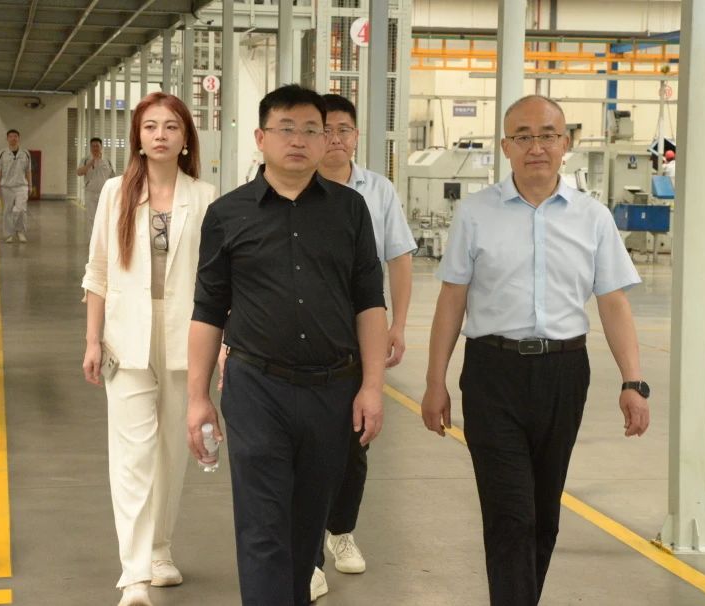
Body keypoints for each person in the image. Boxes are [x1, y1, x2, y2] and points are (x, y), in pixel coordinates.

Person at [420, 95, 651, 605]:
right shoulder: (476, 213)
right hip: (492, 372)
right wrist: (436, 381)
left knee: (544, 517)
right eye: (523, 137)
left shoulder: (593, 218)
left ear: (566, 143)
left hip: (564, 373)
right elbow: (452, 298)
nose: (536, 147)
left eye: (547, 135)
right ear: (505, 147)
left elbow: (613, 302)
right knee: (511, 515)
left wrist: (633, 382)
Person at [186, 84, 388, 606]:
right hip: (257, 388)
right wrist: (197, 397)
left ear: (326, 140)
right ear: (260, 138)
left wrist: (372, 386)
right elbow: (208, 309)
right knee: (262, 526)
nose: (298, 140)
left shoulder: (350, 210)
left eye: (311, 130)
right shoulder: (227, 214)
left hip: (332, 390)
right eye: (286, 129)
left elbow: (370, 303)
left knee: (306, 530)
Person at [81, 92, 216, 606]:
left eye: (171, 127)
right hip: (126, 336)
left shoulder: (204, 197)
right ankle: (134, 575)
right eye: (151, 126)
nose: (160, 135)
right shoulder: (115, 192)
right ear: (138, 136)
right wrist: (92, 339)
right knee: (132, 456)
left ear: (185, 140)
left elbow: (217, 279)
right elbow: (98, 270)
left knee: (173, 453)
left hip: (186, 336)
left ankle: (160, 549)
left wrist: (223, 344)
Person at [306, 93, 417, 599]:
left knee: (355, 440)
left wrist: (399, 324)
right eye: (325, 129)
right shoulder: (293, 183)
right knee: (307, 445)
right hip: (306, 333)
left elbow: (400, 257)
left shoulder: (379, 191)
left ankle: (341, 530)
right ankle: (308, 555)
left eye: (343, 130)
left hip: (362, 333)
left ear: (356, 136)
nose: (335, 139)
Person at [0, 128, 33, 243]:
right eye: (10, 136)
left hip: (21, 186)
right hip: (6, 187)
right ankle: (8, 234)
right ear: (7, 139)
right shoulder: (2, 153)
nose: (13, 138)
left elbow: (28, 170)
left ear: (19, 138)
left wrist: (30, 185)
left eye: (15, 136)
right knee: (7, 211)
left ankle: (20, 232)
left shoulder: (25, 153)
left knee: (20, 209)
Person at [78, 136, 116, 234]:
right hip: (90, 193)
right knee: (92, 218)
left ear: (101, 147)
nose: (95, 148)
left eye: (97, 146)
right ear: (90, 147)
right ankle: (93, 238)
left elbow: (112, 176)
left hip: (104, 194)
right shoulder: (85, 160)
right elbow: (79, 172)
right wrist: (89, 164)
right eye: (93, 146)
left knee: (104, 217)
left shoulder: (107, 161)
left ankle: (103, 237)